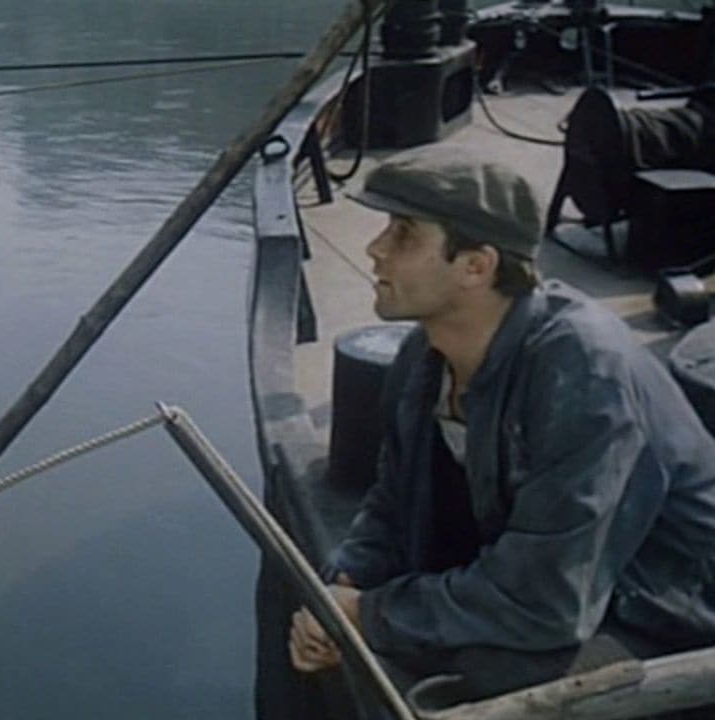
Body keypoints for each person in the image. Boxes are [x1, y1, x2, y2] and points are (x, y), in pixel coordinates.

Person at [288, 146, 715, 707]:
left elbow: (546, 603)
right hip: (571, 577)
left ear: (476, 266)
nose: (375, 249)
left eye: (404, 234)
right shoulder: (423, 358)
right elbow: (393, 503)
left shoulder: (584, 373)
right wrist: (343, 585)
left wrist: (370, 615)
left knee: (485, 678)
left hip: (666, 606)